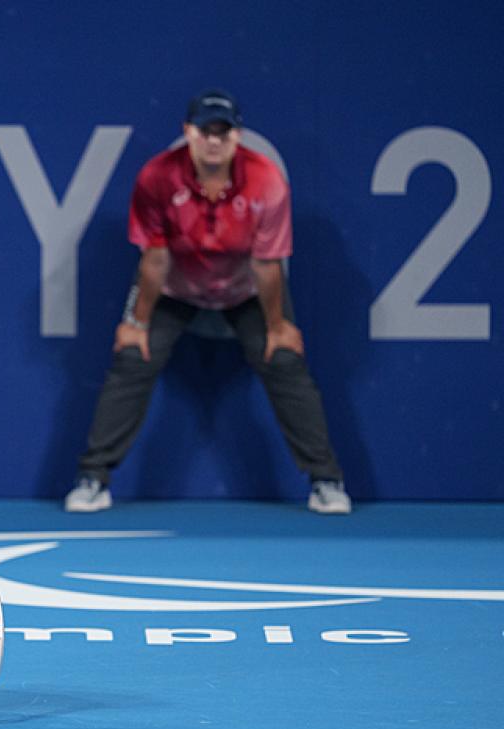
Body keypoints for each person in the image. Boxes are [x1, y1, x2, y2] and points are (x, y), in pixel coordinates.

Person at [64, 89, 351, 515]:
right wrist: (138, 324)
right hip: (174, 290)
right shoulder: (156, 177)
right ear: (188, 133)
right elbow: (155, 258)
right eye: (205, 131)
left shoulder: (267, 179)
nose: (214, 140)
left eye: (224, 131)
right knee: (132, 356)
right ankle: (93, 479)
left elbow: (267, 263)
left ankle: (326, 481)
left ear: (237, 137)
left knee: (285, 360)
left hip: (246, 292)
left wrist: (276, 326)